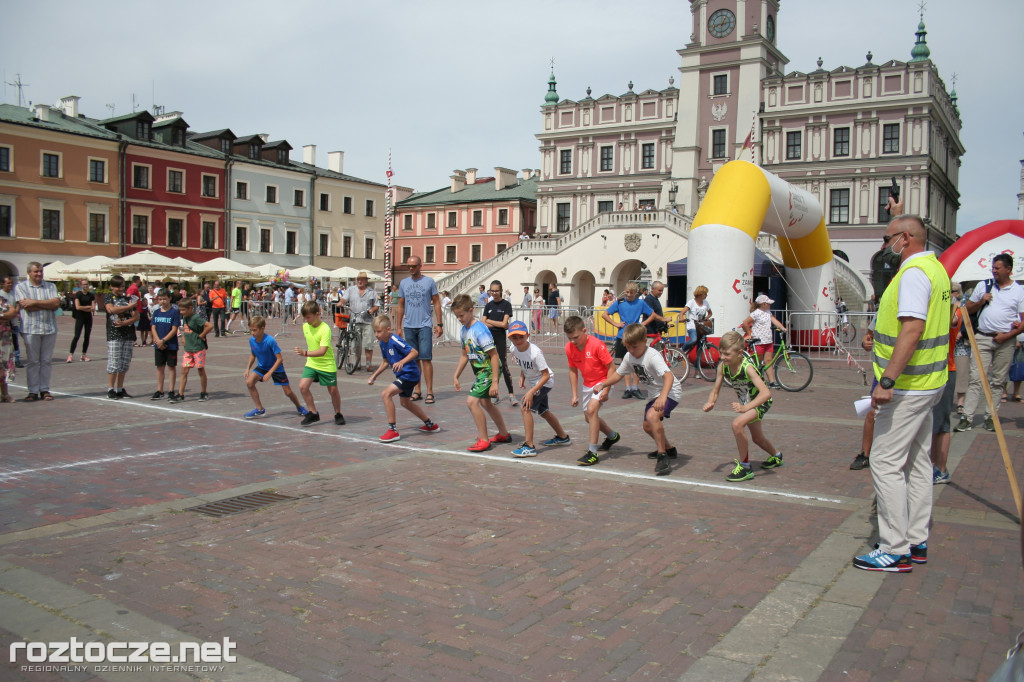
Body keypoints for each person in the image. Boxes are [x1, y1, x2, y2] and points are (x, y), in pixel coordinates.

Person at [853, 213, 950, 573]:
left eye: (887, 237)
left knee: (885, 461)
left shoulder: (911, 273)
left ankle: (895, 547)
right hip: (929, 383)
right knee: (918, 462)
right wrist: (876, 337)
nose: (884, 245)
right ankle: (916, 538)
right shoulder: (936, 269)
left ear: (905, 239)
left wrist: (887, 380)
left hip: (909, 386)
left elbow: (913, 329)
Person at [594, 323, 684, 476]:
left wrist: (663, 396)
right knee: (647, 426)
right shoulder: (630, 356)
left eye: (634, 347)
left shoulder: (652, 356)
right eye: (628, 347)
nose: (631, 351)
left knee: (652, 416)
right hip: (654, 393)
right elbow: (618, 374)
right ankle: (669, 449)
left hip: (670, 392)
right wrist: (603, 384)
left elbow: (668, 377)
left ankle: (663, 457)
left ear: (644, 341)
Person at [956, 253, 1024, 433]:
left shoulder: (1018, 291)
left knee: (998, 380)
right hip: (982, 337)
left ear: (1008, 270)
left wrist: (1009, 334)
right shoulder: (984, 286)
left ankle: (991, 416)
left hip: (1005, 340)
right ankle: (967, 417)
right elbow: (966, 309)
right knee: (976, 378)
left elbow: (1023, 321)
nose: (994, 271)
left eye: (997, 268)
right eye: (993, 268)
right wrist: (981, 301)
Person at [703, 330, 782, 482]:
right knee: (757, 439)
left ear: (740, 353)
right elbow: (715, 390)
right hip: (748, 403)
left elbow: (766, 393)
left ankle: (745, 467)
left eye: (727, 354)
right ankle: (777, 456)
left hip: (760, 401)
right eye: (721, 353)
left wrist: (746, 408)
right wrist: (710, 402)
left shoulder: (747, 368)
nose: (722, 357)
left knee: (737, 424)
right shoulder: (723, 366)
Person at [451, 294, 511, 452]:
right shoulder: (464, 330)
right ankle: (503, 434)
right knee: (485, 402)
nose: (459, 319)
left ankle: (484, 439)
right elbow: (465, 354)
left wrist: (495, 382)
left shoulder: (480, 330)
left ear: (471, 311)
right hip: (481, 372)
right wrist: (456, 375)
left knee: (472, 402)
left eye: (461, 315)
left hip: (489, 370)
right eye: (457, 316)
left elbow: (494, 355)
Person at [368, 313, 439, 442]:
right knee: (405, 402)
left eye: (379, 331)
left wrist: (402, 362)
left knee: (386, 394)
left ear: (388, 329)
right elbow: (385, 362)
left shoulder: (395, 340)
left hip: (410, 374)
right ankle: (430, 424)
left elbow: (414, 352)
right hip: (404, 375)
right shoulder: (382, 343)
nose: (376, 335)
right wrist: (374, 376)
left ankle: (392, 430)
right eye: (375, 332)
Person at [507, 320, 570, 458]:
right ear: (509, 337)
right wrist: (522, 376)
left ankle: (529, 446)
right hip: (535, 382)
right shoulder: (513, 348)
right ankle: (563, 437)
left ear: (528, 335)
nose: (518, 340)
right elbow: (523, 363)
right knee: (543, 411)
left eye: (521, 337)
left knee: (525, 408)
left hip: (544, 382)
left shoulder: (536, 352)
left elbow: (546, 375)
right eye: (514, 337)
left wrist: (531, 391)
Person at [564, 315, 621, 466]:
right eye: (569, 338)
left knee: (592, 411)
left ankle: (592, 452)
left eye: (575, 337)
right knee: (588, 417)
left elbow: (612, 368)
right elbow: (572, 371)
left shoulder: (597, 345)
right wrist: (574, 394)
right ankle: (612, 436)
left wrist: (606, 390)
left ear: (584, 330)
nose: (572, 341)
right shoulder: (569, 347)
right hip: (588, 384)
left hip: (603, 381)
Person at [395, 255, 443, 404]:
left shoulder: (429, 282)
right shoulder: (403, 283)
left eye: (413, 266)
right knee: (414, 360)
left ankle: (430, 391)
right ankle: (417, 390)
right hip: (409, 326)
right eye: (408, 266)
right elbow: (401, 305)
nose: (410, 269)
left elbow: (436, 303)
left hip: (424, 325)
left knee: (426, 359)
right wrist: (398, 327)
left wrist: (439, 324)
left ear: (420, 266)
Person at [243, 315, 307, 419]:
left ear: (262, 328)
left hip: (276, 368)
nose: (252, 333)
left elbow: (280, 359)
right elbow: (253, 354)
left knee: (288, 392)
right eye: (250, 330)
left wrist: (270, 373)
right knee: (249, 382)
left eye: (254, 330)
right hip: (262, 367)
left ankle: (299, 407)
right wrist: (247, 368)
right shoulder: (252, 340)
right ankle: (259, 409)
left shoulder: (270, 340)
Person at [293, 300, 345, 426]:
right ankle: (313, 413)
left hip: (326, 364)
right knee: (303, 386)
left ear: (317, 314)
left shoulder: (325, 329)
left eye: (309, 317)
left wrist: (304, 353)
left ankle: (338, 413)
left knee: (332, 390)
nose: (306, 320)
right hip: (312, 363)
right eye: (304, 318)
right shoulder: (305, 326)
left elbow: (322, 351)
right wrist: (307, 354)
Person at [16, 262, 61, 401]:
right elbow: (26, 306)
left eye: (41, 271)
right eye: (36, 271)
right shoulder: (21, 287)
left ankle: (45, 389)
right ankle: (33, 390)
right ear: (29, 272)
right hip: (31, 328)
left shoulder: (51, 286)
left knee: (46, 360)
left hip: (49, 328)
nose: (39, 274)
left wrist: (34, 302)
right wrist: (46, 304)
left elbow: (56, 304)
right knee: (33, 361)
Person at [601, 282, 654, 399]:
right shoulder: (620, 302)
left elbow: (652, 314)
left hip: (636, 335)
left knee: (637, 362)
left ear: (636, 293)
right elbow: (605, 314)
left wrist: (643, 324)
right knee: (625, 362)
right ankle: (628, 388)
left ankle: (635, 387)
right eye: (627, 292)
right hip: (622, 335)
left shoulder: (640, 302)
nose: (629, 295)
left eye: (631, 293)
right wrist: (616, 324)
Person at [931, 302, 962, 484]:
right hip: (929, 372)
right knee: (930, 422)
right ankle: (931, 464)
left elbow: (953, 321)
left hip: (945, 370)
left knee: (942, 422)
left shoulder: (953, 310)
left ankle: (941, 468)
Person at [740, 294, 788, 388]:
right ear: (763, 304)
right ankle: (752, 379)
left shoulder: (768, 312)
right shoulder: (756, 313)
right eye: (768, 303)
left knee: (768, 361)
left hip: (768, 340)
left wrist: (783, 328)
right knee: (757, 362)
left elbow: (774, 320)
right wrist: (749, 334)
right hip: (759, 341)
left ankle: (772, 382)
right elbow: (745, 323)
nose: (770, 305)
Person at [103, 275, 139, 400]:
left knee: (124, 362)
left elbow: (136, 316)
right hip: (114, 334)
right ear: (111, 287)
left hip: (128, 333)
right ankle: (110, 388)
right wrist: (128, 307)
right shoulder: (109, 297)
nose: (120, 289)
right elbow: (111, 310)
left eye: (123, 286)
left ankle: (119, 388)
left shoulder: (128, 298)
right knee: (114, 362)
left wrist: (125, 322)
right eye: (118, 286)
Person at [482, 280, 518, 405]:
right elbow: (483, 323)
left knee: (503, 364)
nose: (494, 293)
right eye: (492, 290)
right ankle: (494, 394)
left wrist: (491, 321)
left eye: (497, 290)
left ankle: (511, 394)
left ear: (501, 291)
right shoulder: (488, 305)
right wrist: (500, 324)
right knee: (491, 366)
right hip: (488, 338)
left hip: (500, 338)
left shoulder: (506, 305)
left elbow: (504, 324)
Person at [172, 298, 212, 403]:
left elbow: (209, 326)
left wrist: (202, 335)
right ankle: (180, 394)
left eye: (183, 310)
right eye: (180, 310)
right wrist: (184, 338)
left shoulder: (195, 317)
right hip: (188, 349)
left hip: (198, 348)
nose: (181, 312)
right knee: (184, 371)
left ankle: (204, 392)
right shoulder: (185, 317)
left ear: (190, 308)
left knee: (200, 370)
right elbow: (185, 329)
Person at [340, 272, 380, 371]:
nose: (359, 281)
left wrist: (372, 310)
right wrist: (341, 303)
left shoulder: (371, 292)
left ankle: (368, 363)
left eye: (362, 279)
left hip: (368, 322)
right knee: (355, 344)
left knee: (369, 344)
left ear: (366, 281)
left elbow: (377, 305)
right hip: (355, 321)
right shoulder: (351, 290)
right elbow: (344, 299)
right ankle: (357, 363)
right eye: (358, 279)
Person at [149, 288, 180, 401]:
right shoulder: (156, 312)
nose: (162, 301)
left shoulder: (174, 312)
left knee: (171, 367)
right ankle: (160, 390)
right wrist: (157, 340)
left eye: (164, 299)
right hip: (158, 344)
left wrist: (164, 340)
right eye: (160, 299)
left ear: (170, 298)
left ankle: (171, 390)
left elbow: (174, 329)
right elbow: (153, 327)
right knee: (159, 367)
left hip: (170, 344)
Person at [67, 279, 95, 363]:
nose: (85, 286)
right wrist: (88, 307)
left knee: (87, 336)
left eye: (86, 284)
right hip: (80, 317)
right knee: (76, 336)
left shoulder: (91, 295)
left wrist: (85, 308)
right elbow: (77, 307)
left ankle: (84, 355)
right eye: (84, 284)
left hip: (88, 317)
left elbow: (93, 308)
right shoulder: (78, 294)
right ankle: (70, 355)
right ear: (81, 285)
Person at [680, 285, 712, 352]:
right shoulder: (691, 302)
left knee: (701, 346)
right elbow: (682, 312)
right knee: (693, 339)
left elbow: (710, 313)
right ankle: (682, 350)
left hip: (701, 326)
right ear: (700, 294)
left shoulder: (706, 303)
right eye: (705, 294)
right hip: (692, 326)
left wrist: (706, 319)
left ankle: (698, 362)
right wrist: (681, 318)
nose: (706, 295)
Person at [0, 276, 23, 368]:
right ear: (3, 284)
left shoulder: (14, 294)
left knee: (15, 341)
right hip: (3, 323)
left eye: (11, 283)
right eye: (8, 283)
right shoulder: (1, 294)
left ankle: (16, 360)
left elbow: (17, 305)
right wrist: (11, 313)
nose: (10, 284)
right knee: (4, 343)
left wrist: (15, 311)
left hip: (13, 322)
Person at [0, 289, 17, 402]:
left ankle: (5, 394)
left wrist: (2, 315)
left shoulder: (3, 301)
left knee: (4, 365)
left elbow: (13, 312)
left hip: (4, 338)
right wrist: (5, 316)